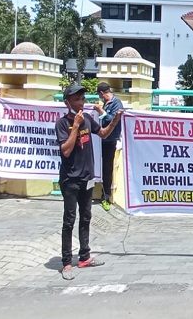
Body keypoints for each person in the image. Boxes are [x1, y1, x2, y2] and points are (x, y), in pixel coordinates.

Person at [56, 83, 122, 280]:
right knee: (69, 220)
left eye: (83, 99)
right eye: (77, 99)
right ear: (67, 102)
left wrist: (114, 121)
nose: (81, 103)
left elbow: (102, 133)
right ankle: (67, 262)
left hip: (86, 177)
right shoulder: (62, 123)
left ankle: (84, 256)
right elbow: (66, 150)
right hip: (70, 179)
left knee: (86, 217)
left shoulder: (86, 118)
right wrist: (75, 127)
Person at [94, 82, 123, 212]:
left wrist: (100, 111)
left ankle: (106, 196)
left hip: (109, 140)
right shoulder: (107, 103)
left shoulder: (117, 103)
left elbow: (112, 120)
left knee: (107, 168)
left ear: (102, 93)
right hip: (98, 139)